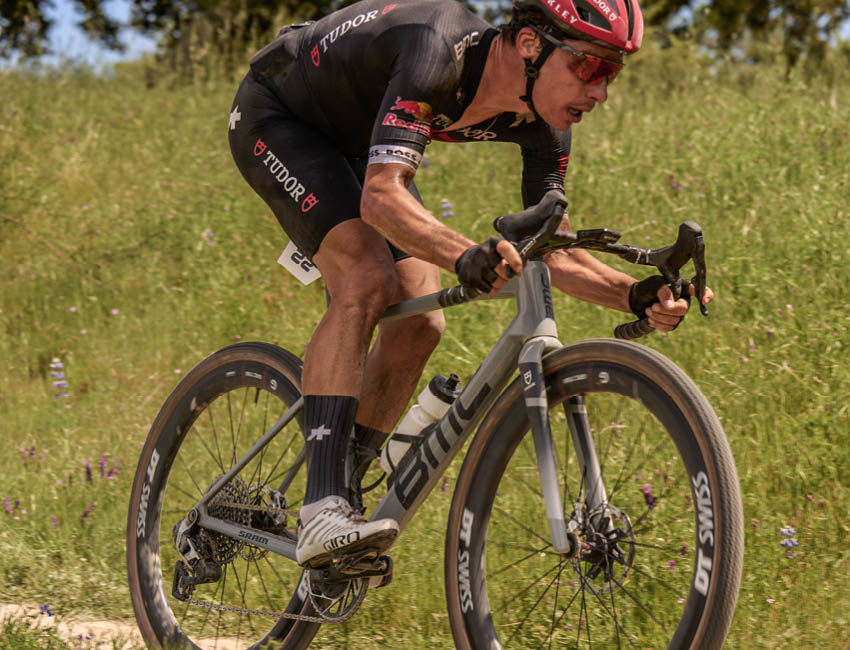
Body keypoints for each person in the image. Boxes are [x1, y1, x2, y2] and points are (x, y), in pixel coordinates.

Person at [227, 0, 714, 568]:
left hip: (365, 142)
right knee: (366, 277)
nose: (601, 91)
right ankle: (321, 509)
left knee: (420, 325)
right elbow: (381, 197)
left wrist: (632, 293)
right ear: (530, 45)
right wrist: (464, 255)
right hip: (281, 116)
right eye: (590, 67)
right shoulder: (437, 51)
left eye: (613, 73)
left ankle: (345, 489)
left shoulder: (548, 121)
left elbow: (550, 245)